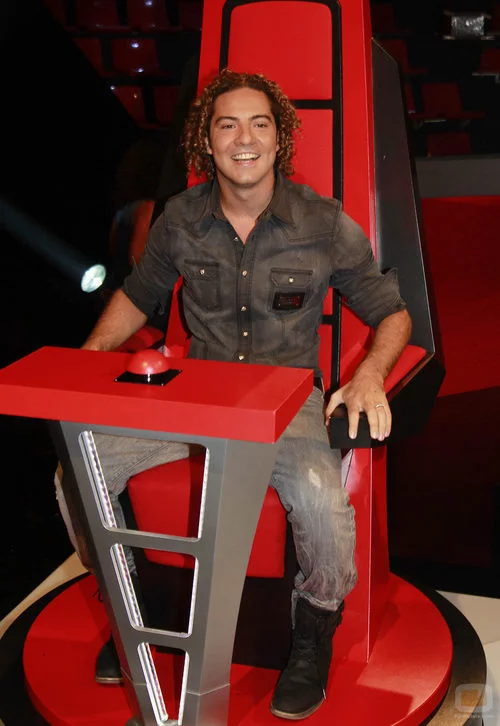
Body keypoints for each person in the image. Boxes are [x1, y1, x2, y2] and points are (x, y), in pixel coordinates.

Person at [57, 69, 411, 720]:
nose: (244, 138)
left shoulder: (323, 222)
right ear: (207, 140)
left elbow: (391, 312)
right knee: (79, 467)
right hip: (195, 395)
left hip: (287, 401)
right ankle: (131, 614)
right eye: (227, 125)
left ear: (279, 139)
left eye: (259, 124)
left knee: (322, 503)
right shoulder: (179, 220)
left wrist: (368, 374)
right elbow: (138, 295)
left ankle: (313, 635)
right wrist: (90, 359)